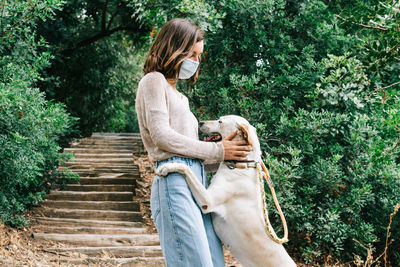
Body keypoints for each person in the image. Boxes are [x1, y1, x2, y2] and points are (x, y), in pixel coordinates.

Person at [135, 18, 252, 267]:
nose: (195, 62)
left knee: (213, 262)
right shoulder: (153, 81)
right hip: (174, 181)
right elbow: (162, 137)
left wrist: (231, 156)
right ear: (173, 48)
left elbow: (193, 153)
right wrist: (218, 150)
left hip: (198, 183)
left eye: (199, 56)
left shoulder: (182, 99)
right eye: (192, 54)